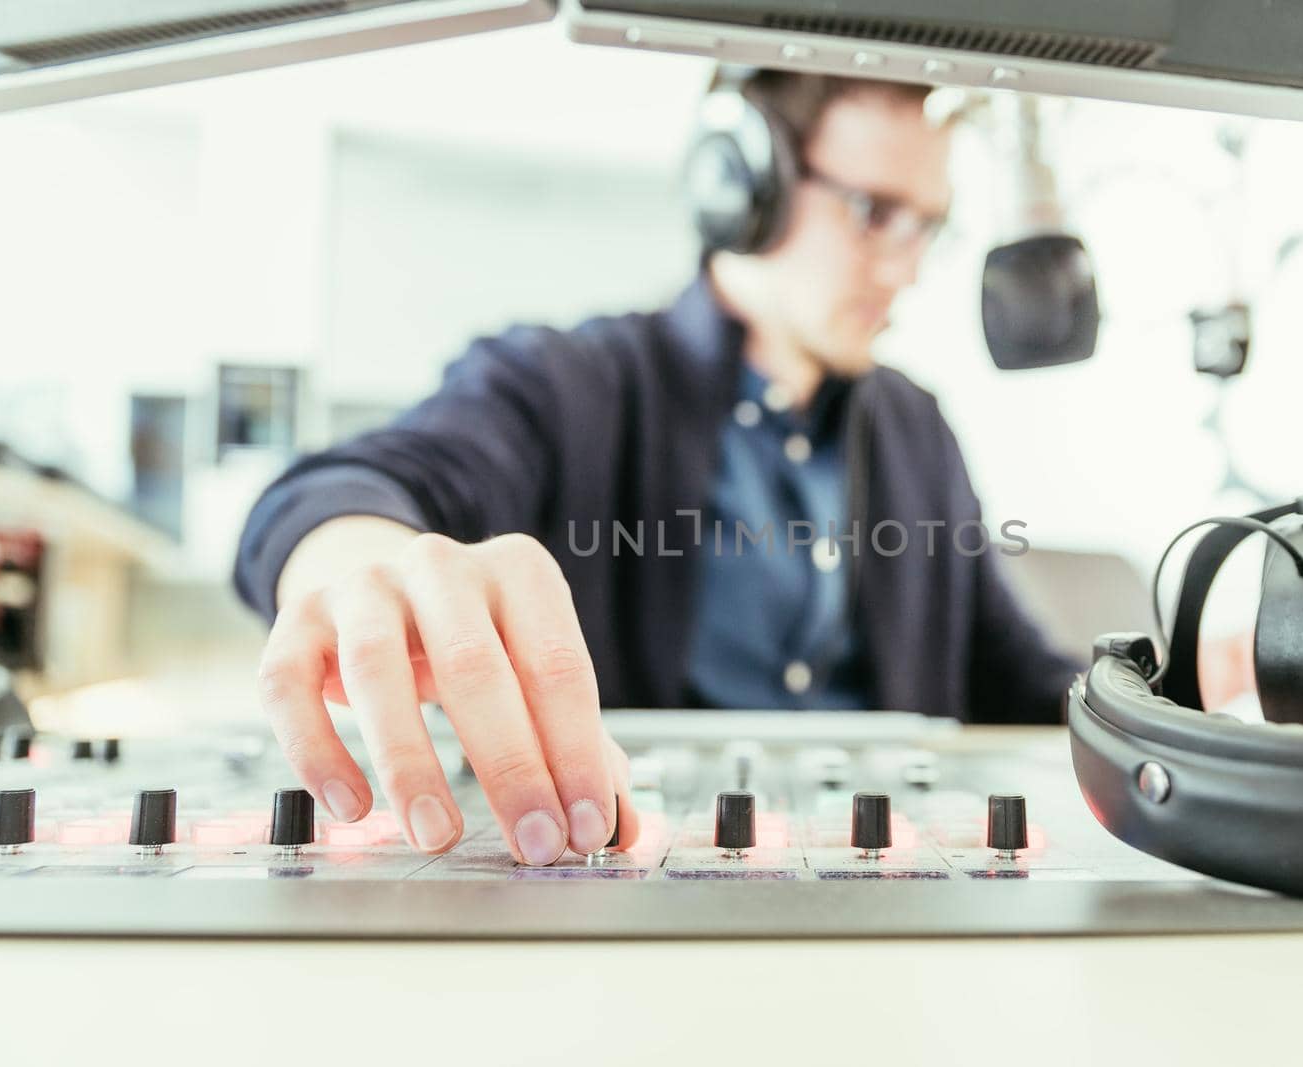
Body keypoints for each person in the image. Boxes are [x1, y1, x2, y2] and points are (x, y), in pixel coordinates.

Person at [233, 69, 1082, 868]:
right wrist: (366, 575)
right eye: (871, 213)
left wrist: (1173, 686)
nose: (907, 268)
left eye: (926, 226)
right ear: (741, 188)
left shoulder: (916, 425)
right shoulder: (565, 383)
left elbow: (1015, 675)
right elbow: (334, 496)